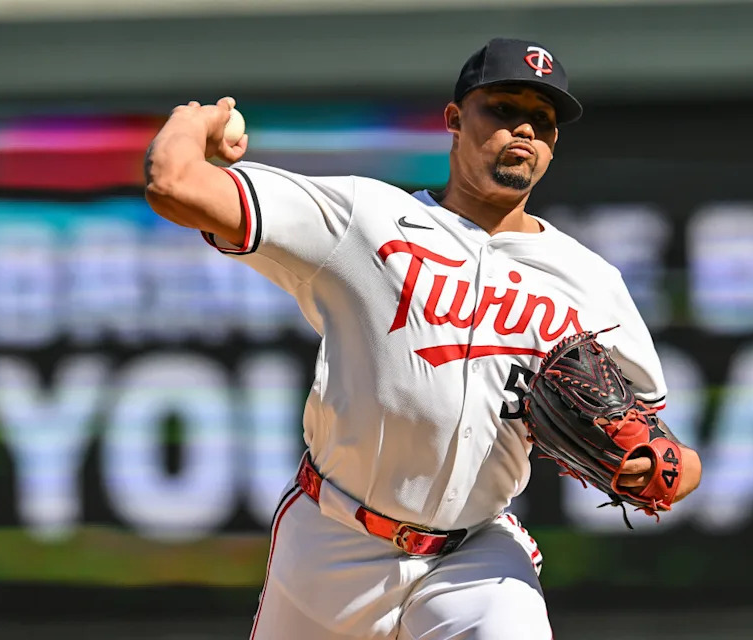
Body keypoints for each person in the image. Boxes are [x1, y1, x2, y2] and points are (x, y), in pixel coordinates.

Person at [144, 37, 702, 640]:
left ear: (552, 144)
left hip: (474, 557)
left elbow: (670, 449)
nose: (522, 130)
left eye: (540, 121)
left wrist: (658, 467)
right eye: (503, 109)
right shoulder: (365, 219)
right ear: (455, 121)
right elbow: (174, 185)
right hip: (333, 538)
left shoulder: (591, 282)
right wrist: (192, 120)